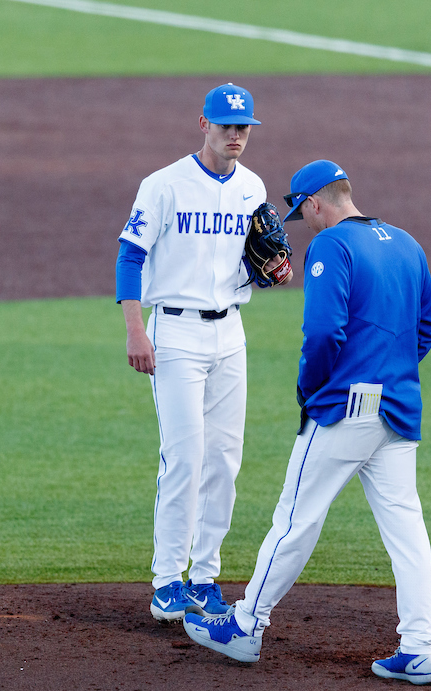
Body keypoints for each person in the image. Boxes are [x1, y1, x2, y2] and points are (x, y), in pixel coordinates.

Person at [183, 161, 431, 685]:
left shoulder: (332, 247)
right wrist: (388, 370)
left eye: (304, 213)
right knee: (407, 530)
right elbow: (427, 329)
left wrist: (312, 386)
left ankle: (246, 624)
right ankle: (417, 647)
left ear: (316, 203)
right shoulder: (408, 244)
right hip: (400, 410)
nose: (306, 224)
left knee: (295, 518)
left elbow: (324, 332)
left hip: (344, 409)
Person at [116, 83, 291, 623]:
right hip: (174, 333)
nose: (236, 136)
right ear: (203, 124)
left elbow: (260, 255)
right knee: (185, 456)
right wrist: (134, 331)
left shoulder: (253, 186)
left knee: (224, 461)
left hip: (230, 333)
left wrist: (273, 270)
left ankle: (205, 577)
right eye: (226, 127)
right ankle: (167, 579)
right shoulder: (164, 185)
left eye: (243, 128)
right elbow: (130, 256)